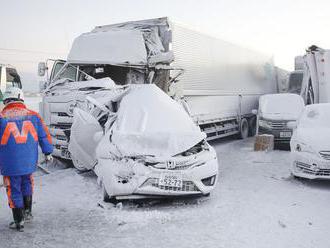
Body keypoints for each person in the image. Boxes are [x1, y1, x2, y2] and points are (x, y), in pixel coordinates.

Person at [0, 87, 53, 231]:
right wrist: (48, 152)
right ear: (21, 98)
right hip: (29, 162)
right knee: (27, 183)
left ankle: (19, 220)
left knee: (13, 188)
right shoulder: (34, 116)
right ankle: (28, 212)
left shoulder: (1, 117)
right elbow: (44, 136)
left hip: (9, 164)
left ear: (6, 101)